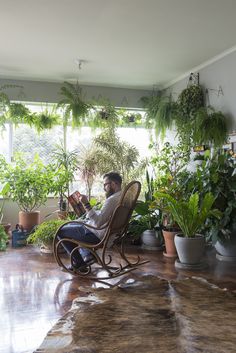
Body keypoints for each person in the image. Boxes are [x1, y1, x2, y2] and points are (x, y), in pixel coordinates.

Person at [57, 172, 122, 271]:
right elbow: (104, 217)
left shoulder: (112, 200)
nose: (104, 188)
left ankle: (79, 263)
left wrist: (86, 204)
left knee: (60, 231)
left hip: (96, 234)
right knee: (72, 224)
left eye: (105, 185)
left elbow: (98, 222)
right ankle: (88, 255)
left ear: (113, 184)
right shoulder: (122, 197)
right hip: (108, 233)